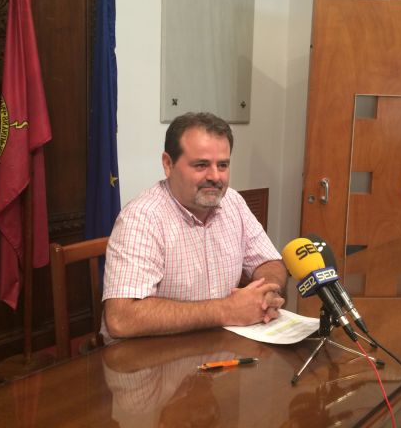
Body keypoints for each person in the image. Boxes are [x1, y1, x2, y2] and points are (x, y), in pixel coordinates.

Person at [102, 112, 287, 341]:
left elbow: (269, 262)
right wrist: (226, 310)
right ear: (168, 164)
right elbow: (121, 318)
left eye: (223, 165)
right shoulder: (141, 218)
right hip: (152, 354)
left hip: (218, 346)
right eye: (201, 165)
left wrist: (265, 293)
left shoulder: (233, 202)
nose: (215, 176)